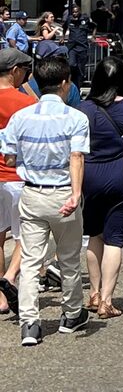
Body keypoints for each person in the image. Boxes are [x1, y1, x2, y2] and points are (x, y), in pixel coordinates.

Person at [0, 54, 90, 346]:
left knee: (30, 260)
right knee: (69, 258)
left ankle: (30, 324)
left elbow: (9, 157)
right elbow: (76, 157)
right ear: (65, 83)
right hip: (63, 192)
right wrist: (76, 194)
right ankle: (71, 314)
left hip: (32, 192)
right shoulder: (76, 118)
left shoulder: (21, 117)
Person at [80, 57, 123, 317]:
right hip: (120, 174)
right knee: (114, 239)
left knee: (94, 235)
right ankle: (107, 300)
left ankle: (94, 293)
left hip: (89, 176)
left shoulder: (83, 108)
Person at [0, 49, 35, 315]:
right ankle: (10, 278)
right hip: (18, 176)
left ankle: (1, 299)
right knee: (27, 235)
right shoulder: (26, 103)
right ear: (15, 71)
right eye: (24, 71)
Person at [64, 4, 94, 90]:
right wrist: (62, 37)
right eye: (73, 12)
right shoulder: (69, 19)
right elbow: (64, 27)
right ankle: (72, 82)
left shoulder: (85, 18)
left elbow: (94, 26)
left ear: (79, 12)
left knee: (81, 69)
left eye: (76, 12)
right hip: (72, 47)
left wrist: (93, 36)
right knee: (71, 64)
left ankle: (78, 87)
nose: (75, 14)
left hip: (82, 47)